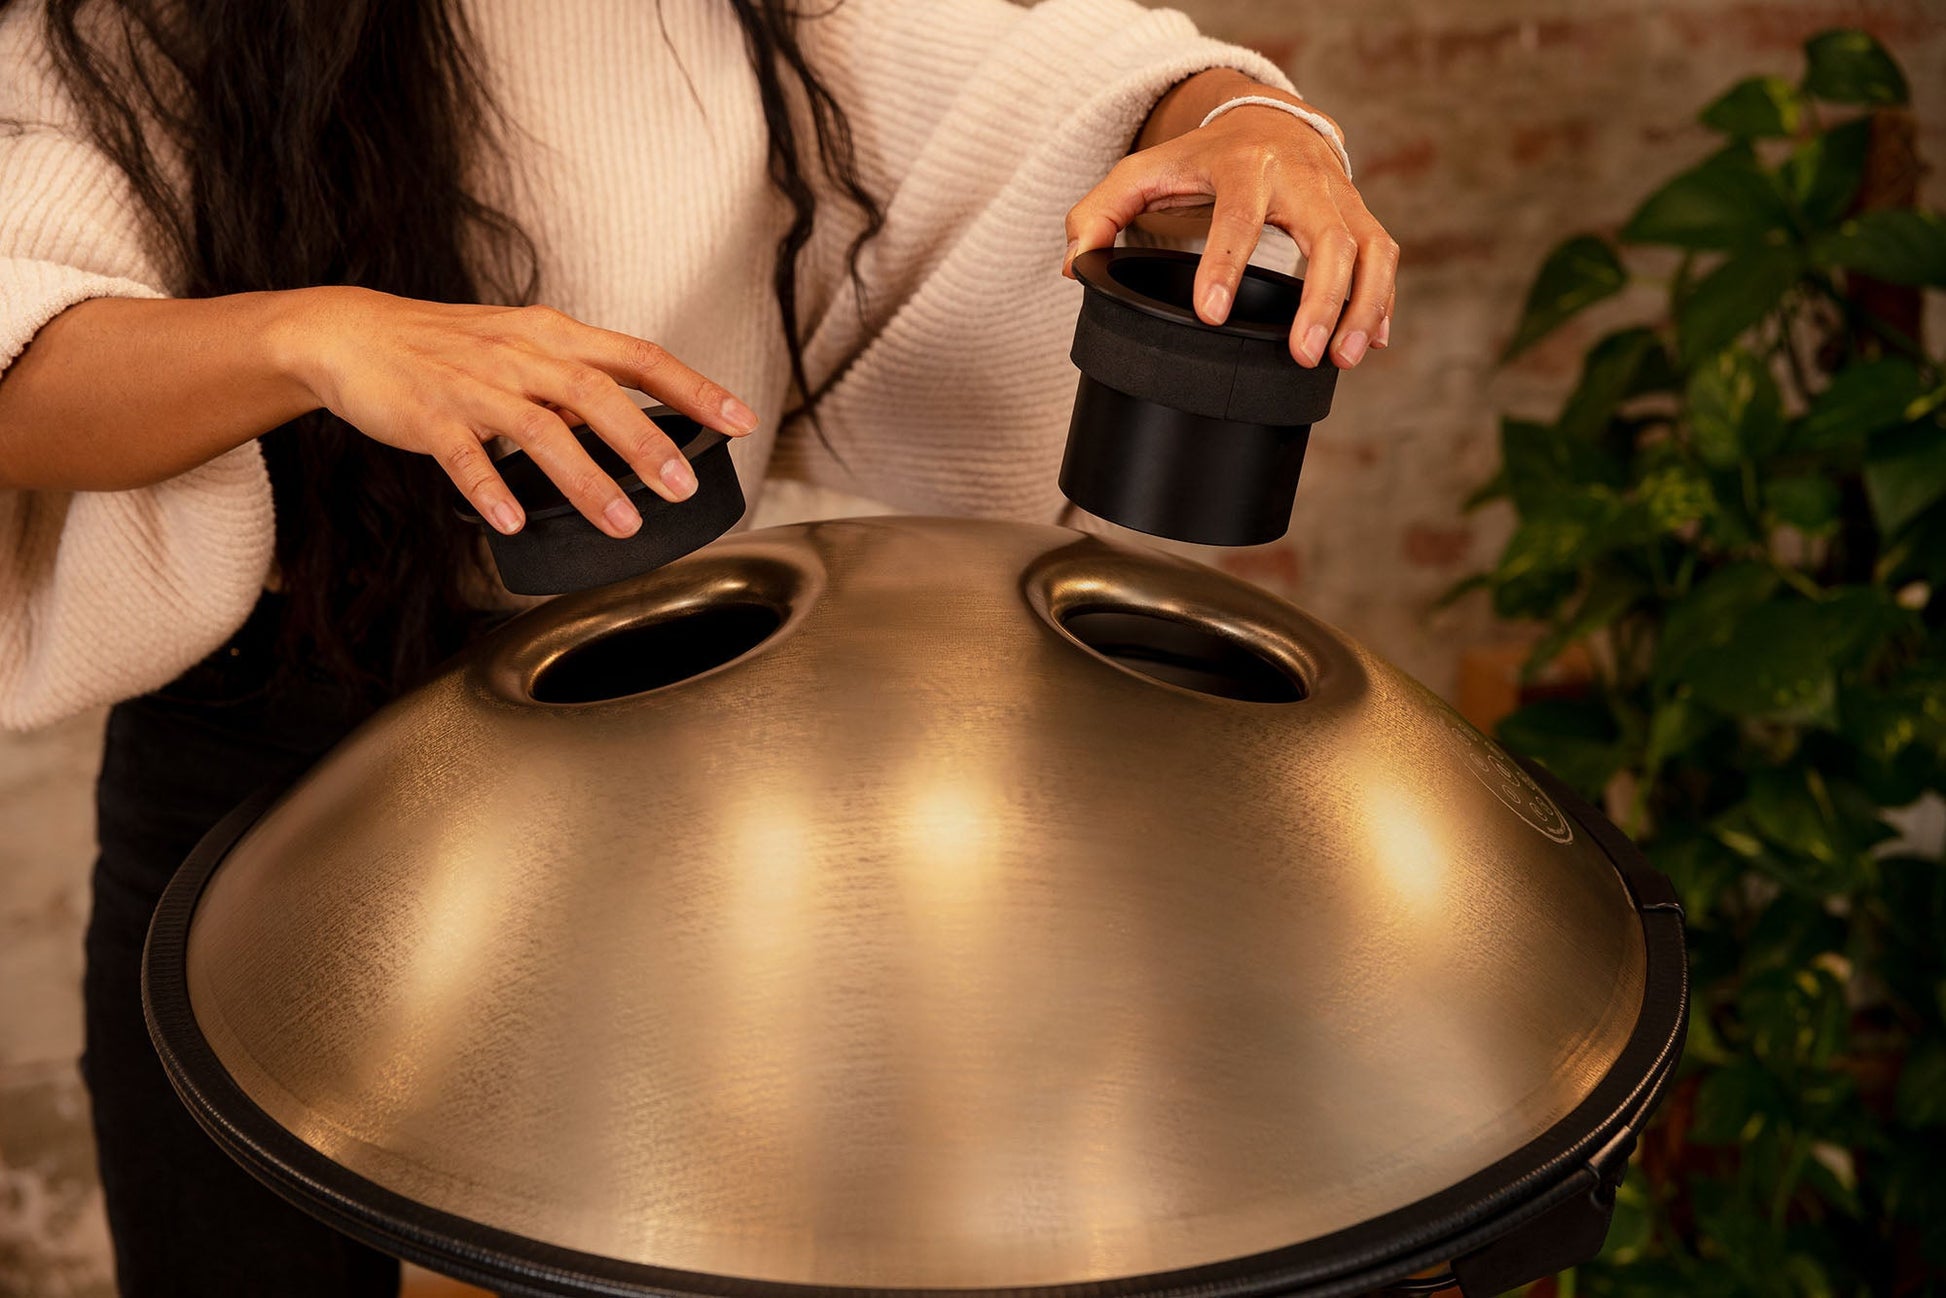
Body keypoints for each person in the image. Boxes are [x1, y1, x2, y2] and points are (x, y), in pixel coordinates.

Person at [0, 0, 1396, 1292]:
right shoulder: (131, 28)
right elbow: (23, 353)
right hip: (266, 741)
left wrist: (1247, 126)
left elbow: (1044, 77)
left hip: (660, 710)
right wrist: (313, 339)